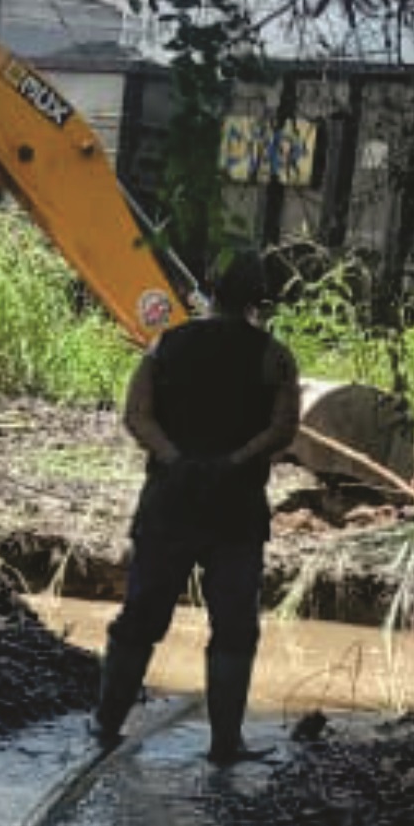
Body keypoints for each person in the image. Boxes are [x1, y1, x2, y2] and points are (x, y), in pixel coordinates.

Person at [94, 251, 301, 764]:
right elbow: (283, 428)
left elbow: (136, 413)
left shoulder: (167, 344)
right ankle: (225, 744)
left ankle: (106, 723)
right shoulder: (274, 356)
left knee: (141, 614)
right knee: (233, 626)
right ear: (261, 302)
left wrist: (175, 458)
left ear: (211, 289)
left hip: (169, 501)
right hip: (236, 508)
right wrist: (233, 461)